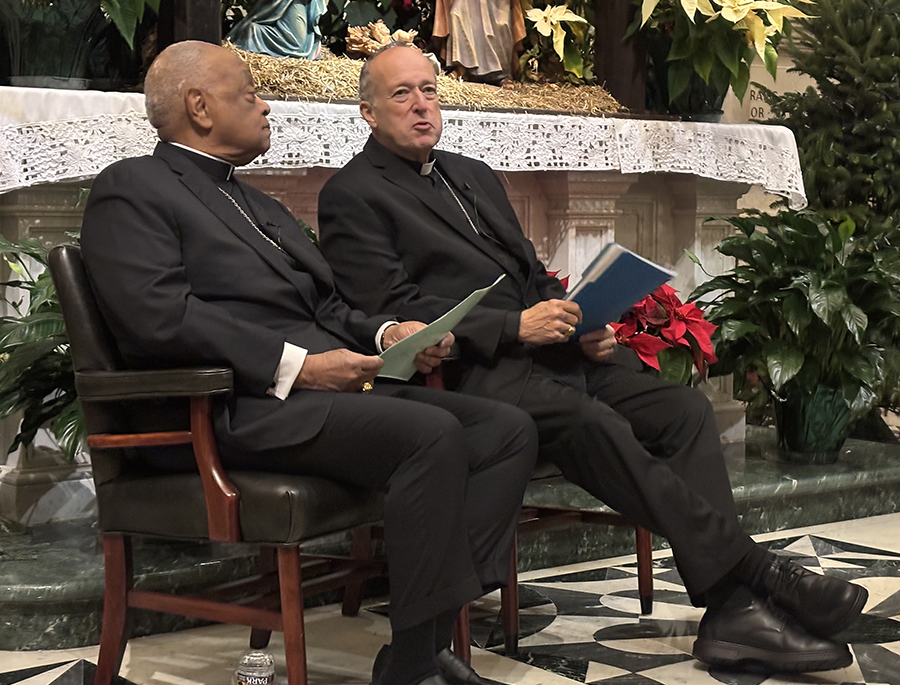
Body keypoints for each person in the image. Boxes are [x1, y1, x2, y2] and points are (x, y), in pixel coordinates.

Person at [317, 42, 866, 674]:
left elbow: (530, 272)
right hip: (474, 379)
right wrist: (514, 326)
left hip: (554, 359)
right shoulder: (353, 195)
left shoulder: (469, 172)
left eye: (429, 90)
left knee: (681, 409)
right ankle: (751, 580)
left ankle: (732, 611)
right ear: (366, 112)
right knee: (593, 424)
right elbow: (398, 312)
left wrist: (576, 321)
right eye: (401, 94)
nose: (421, 106)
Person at [80, 40, 538, 685]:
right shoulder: (133, 188)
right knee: (432, 435)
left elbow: (328, 305)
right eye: (250, 95)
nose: (267, 107)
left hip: (315, 396)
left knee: (504, 430)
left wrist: (388, 334)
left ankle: (423, 644)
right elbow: (160, 317)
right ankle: (416, 665)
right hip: (227, 408)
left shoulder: (257, 203)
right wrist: (299, 366)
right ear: (200, 108)